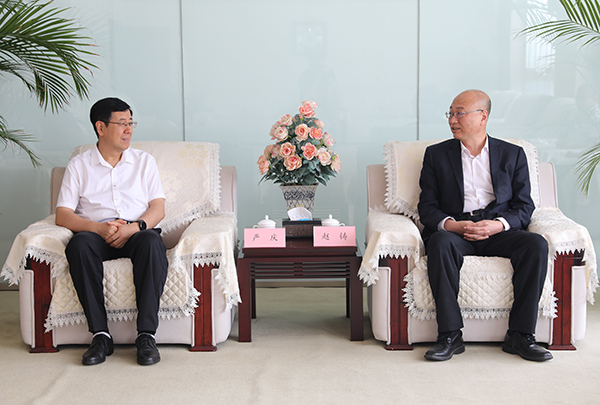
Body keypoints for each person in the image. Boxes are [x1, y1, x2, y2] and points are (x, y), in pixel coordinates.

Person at [418, 89, 552, 362]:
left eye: (459, 113)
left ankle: (520, 335)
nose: (452, 120)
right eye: (450, 114)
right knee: (440, 243)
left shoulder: (513, 154)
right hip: (457, 231)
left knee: (536, 244)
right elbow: (427, 207)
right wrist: (453, 226)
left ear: (483, 116)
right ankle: (449, 335)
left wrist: (498, 225)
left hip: (497, 230)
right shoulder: (436, 155)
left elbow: (524, 206)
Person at [55, 98, 168, 366]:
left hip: (136, 231)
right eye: (122, 123)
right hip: (96, 233)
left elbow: (158, 208)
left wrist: (133, 227)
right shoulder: (79, 165)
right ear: (101, 127)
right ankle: (101, 336)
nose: (129, 129)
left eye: (131, 123)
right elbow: (63, 215)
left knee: (152, 242)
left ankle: (146, 335)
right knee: (79, 245)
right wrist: (97, 227)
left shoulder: (144, 161)